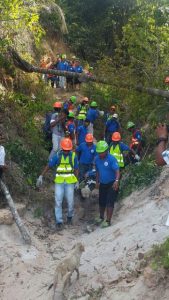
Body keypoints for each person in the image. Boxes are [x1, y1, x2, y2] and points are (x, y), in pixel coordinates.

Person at [36, 138, 79, 230]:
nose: (67, 152)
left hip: (70, 181)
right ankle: (59, 221)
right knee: (58, 201)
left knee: (70, 201)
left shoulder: (73, 156)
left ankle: (69, 217)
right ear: (62, 148)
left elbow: (76, 169)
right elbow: (49, 165)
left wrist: (77, 181)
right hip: (59, 181)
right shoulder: (57, 156)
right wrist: (41, 176)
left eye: (68, 150)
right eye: (65, 150)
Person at [95, 140, 120, 228]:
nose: (100, 154)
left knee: (110, 202)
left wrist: (116, 181)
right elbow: (97, 171)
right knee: (101, 201)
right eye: (98, 152)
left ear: (106, 151)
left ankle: (108, 221)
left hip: (112, 184)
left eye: (101, 152)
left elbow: (117, 171)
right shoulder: (97, 159)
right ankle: (101, 217)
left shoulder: (111, 159)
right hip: (102, 183)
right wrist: (97, 181)